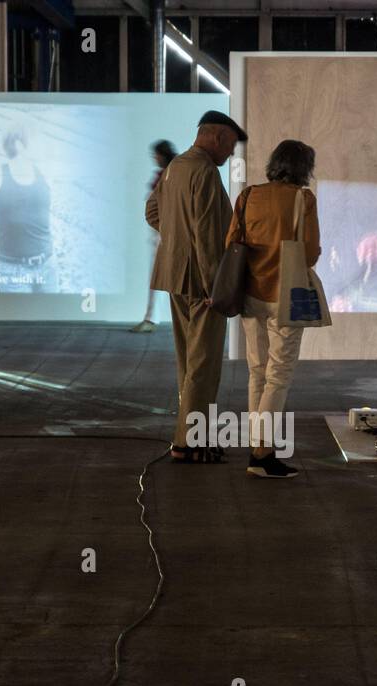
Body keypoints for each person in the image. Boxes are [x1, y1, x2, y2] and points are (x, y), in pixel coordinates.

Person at [145, 111, 245, 463]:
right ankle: (190, 442)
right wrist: (212, 286)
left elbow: (151, 212)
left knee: (188, 362)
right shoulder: (203, 171)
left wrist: (175, 242)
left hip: (175, 275)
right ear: (216, 137)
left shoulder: (174, 168)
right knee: (203, 364)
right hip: (201, 282)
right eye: (231, 145)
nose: (231, 153)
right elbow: (206, 234)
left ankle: (190, 437)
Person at [224, 140, 320, 479]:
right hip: (286, 295)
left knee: (257, 373)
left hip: (251, 293)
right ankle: (262, 454)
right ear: (303, 168)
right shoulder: (302, 199)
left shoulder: (249, 195)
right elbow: (309, 253)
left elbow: (231, 242)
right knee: (278, 376)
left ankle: (258, 450)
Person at [0, 124, 55, 293]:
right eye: (37, 141)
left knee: (53, 318)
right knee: (15, 319)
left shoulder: (46, 171)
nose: (43, 145)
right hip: (13, 272)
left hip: (48, 266)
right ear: (19, 145)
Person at [131, 139, 177, 333]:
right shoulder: (166, 174)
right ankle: (151, 318)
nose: (154, 158)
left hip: (165, 233)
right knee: (159, 277)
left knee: (159, 277)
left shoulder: (169, 175)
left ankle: (152, 319)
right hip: (162, 232)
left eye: (156, 155)